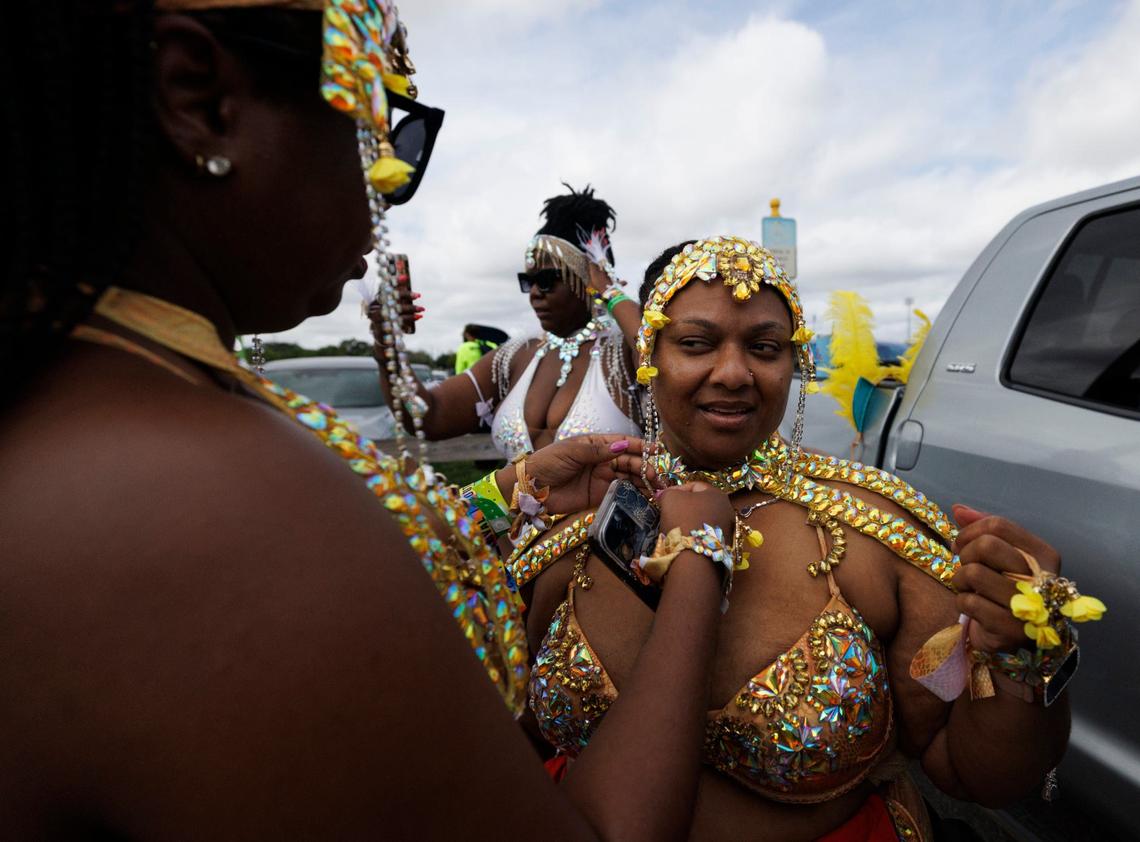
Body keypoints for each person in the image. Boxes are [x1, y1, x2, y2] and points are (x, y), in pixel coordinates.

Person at [0, 3, 743, 838]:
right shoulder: (196, 490)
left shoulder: (126, 395)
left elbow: (666, 365)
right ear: (199, 101)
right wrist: (700, 561)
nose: (389, 171)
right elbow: (415, 422)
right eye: (379, 121)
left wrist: (512, 489)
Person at [510, 237, 1092, 841]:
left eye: (764, 348)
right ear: (648, 355)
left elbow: (974, 776)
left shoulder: (876, 529)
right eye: (696, 343)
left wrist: (1025, 653)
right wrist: (500, 499)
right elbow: (509, 736)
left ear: (794, 363)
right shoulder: (572, 517)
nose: (734, 373)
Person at [371, 185, 641, 462]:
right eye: (528, 282)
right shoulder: (515, 357)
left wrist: (611, 293)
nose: (535, 292)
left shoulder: (624, 354)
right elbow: (429, 416)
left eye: (547, 281)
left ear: (589, 280)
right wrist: (387, 342)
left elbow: (657, 353)